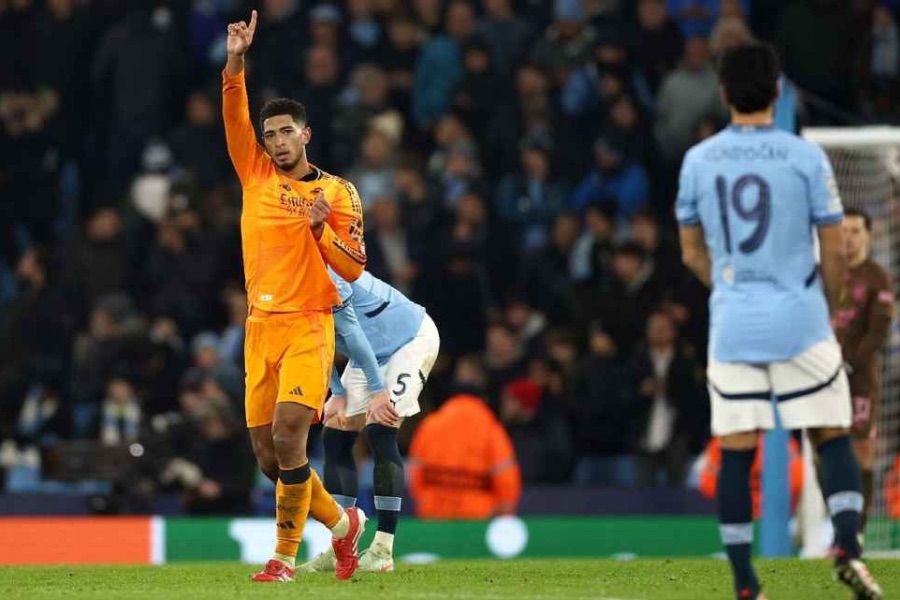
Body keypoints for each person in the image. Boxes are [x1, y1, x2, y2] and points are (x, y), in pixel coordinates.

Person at [676, 44, 883, 600]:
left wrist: (726, 289)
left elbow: (691, 251)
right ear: (778, 92)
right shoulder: (805, 158)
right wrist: (826, 297)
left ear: (723, 95)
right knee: (832, 434)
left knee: (737, 450)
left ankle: (745, 581)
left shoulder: (698, 161)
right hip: (801, 319)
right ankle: (846, 545)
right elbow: (835, 247)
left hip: (734, 324)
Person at [222, 11, 367, 583]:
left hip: (310, 323)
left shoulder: (337, 193)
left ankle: (282, 558)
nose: (278, 142)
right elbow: (233, 105)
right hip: (260, 328)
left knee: (289, 434)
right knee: (269, 458)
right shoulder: (255, 174)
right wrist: (236, 60)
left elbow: (354, 267)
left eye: (287, 132)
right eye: (270, 134)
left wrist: (320, 229)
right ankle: (343, 526)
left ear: (306, 134)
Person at [301, 268, 440, 573]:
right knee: (335, 431)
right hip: (370, 352)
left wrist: (379, 392)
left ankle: (383, 549)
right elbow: (317, 343)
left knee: (381, 427)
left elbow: (350, 332)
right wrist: (336, 392)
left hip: (409, 341)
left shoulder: (327, 275)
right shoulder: (292, 282)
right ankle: (341, 547)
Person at [834, 207, 894, 538]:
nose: (849, 237)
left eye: (856, 230)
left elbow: (878, 331)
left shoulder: (876, 276)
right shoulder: (827, 272)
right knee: (822, 449)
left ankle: (856, 529)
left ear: (868, 235)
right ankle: (832, 522)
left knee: (861, 450)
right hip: (823, 377)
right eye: (844, 230)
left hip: (859, 378)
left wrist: (851, 362)